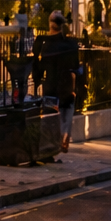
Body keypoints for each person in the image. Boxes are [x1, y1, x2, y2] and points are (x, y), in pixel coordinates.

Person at [36, 11, 82, 152]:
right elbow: (75, 66)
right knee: (67, 109)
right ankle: (65, 132)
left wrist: (38, 79)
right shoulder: (70, 44)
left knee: (51, 115)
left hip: (51, 85)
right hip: (66, 84)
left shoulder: (46, 45)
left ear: (50, 25)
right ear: (62, 26)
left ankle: (53, 142)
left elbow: (41, 67)